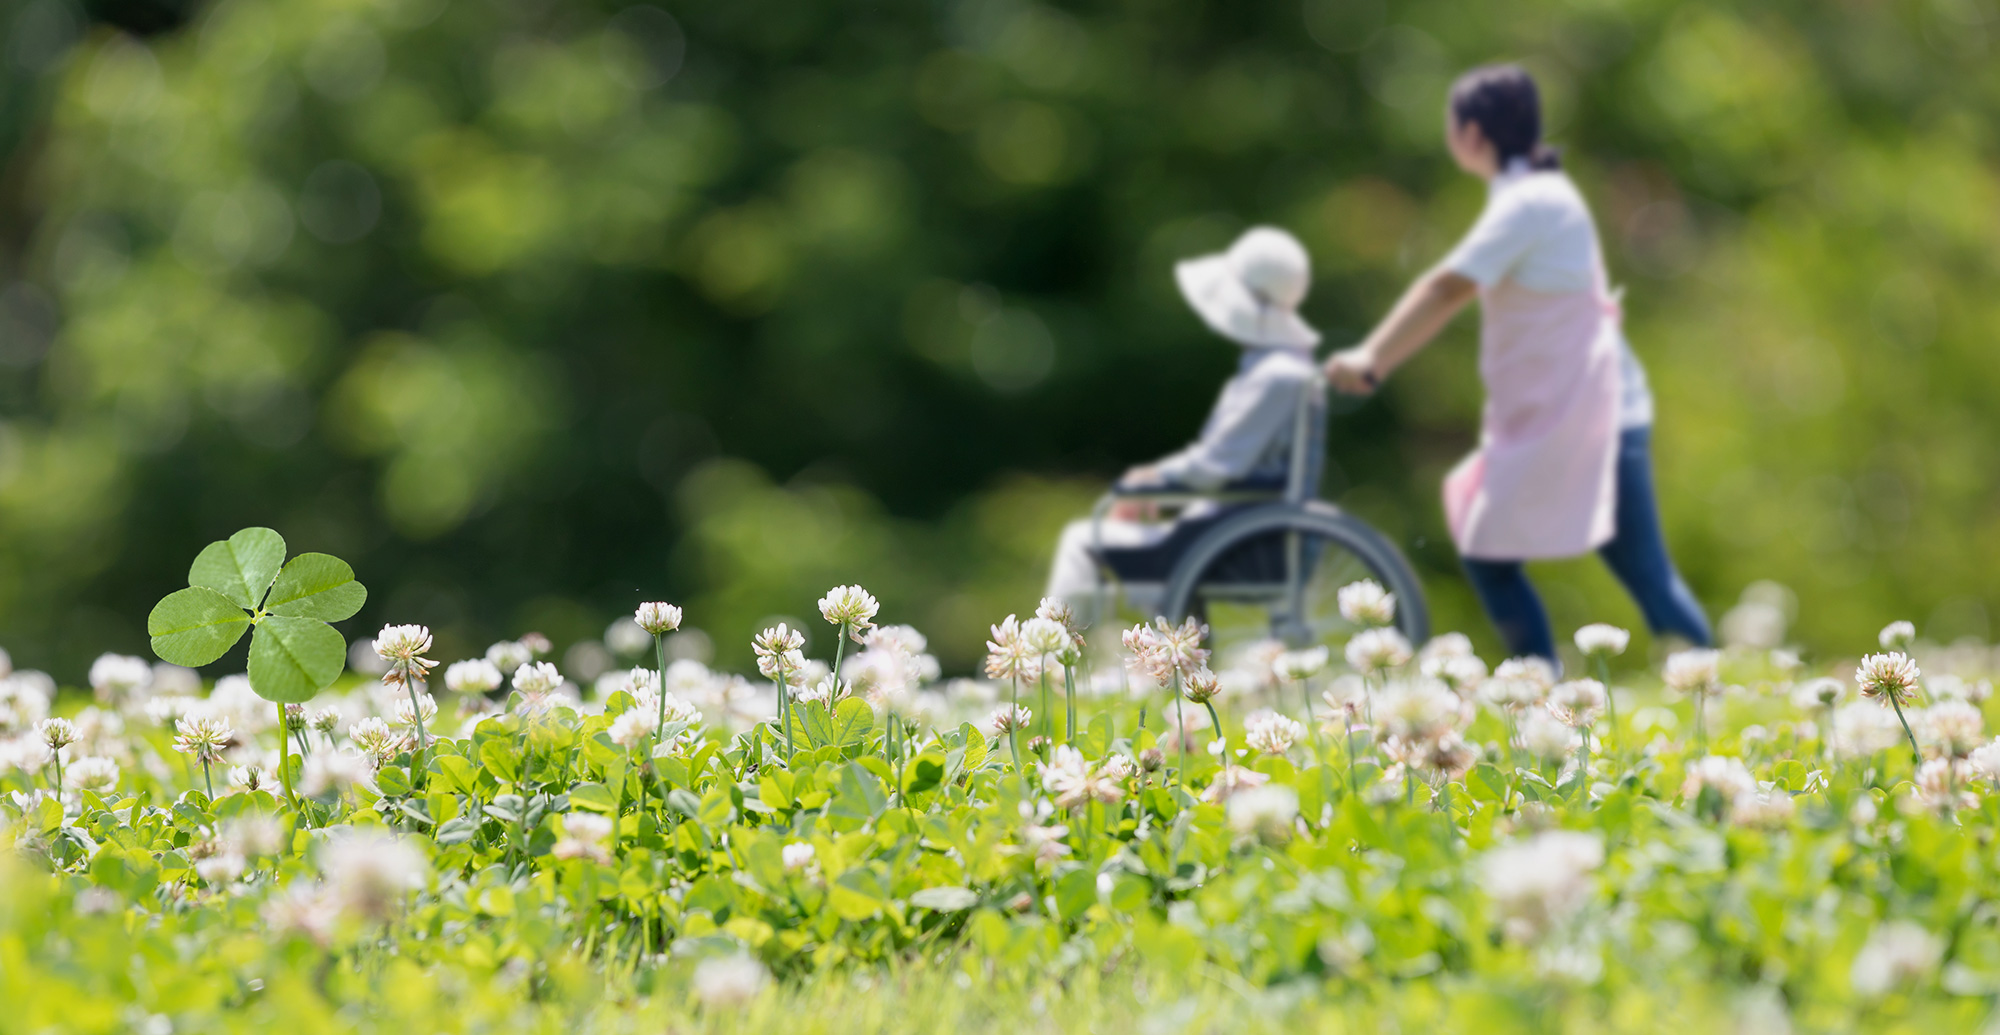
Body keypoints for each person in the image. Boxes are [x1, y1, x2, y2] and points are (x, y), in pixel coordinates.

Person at [1322, 63, 1710, 663]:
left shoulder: (1530, 204)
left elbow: (1445, 289)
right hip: (1581, 412)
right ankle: (1555, 693)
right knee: (1577, 563)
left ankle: (1553, 692)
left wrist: (1372, 357)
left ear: (1474, 134)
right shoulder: (1535, 198)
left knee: (1618, 570)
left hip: (1592, 416)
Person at [1044, 226, 1325, 625]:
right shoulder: (1288, 371)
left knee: (1080, 539)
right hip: (1247, 530)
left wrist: (1151, 480)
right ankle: (1162, 655)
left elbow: (1218, 466)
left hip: (1240, 540)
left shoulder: (1275, 377)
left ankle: (1048, 659)